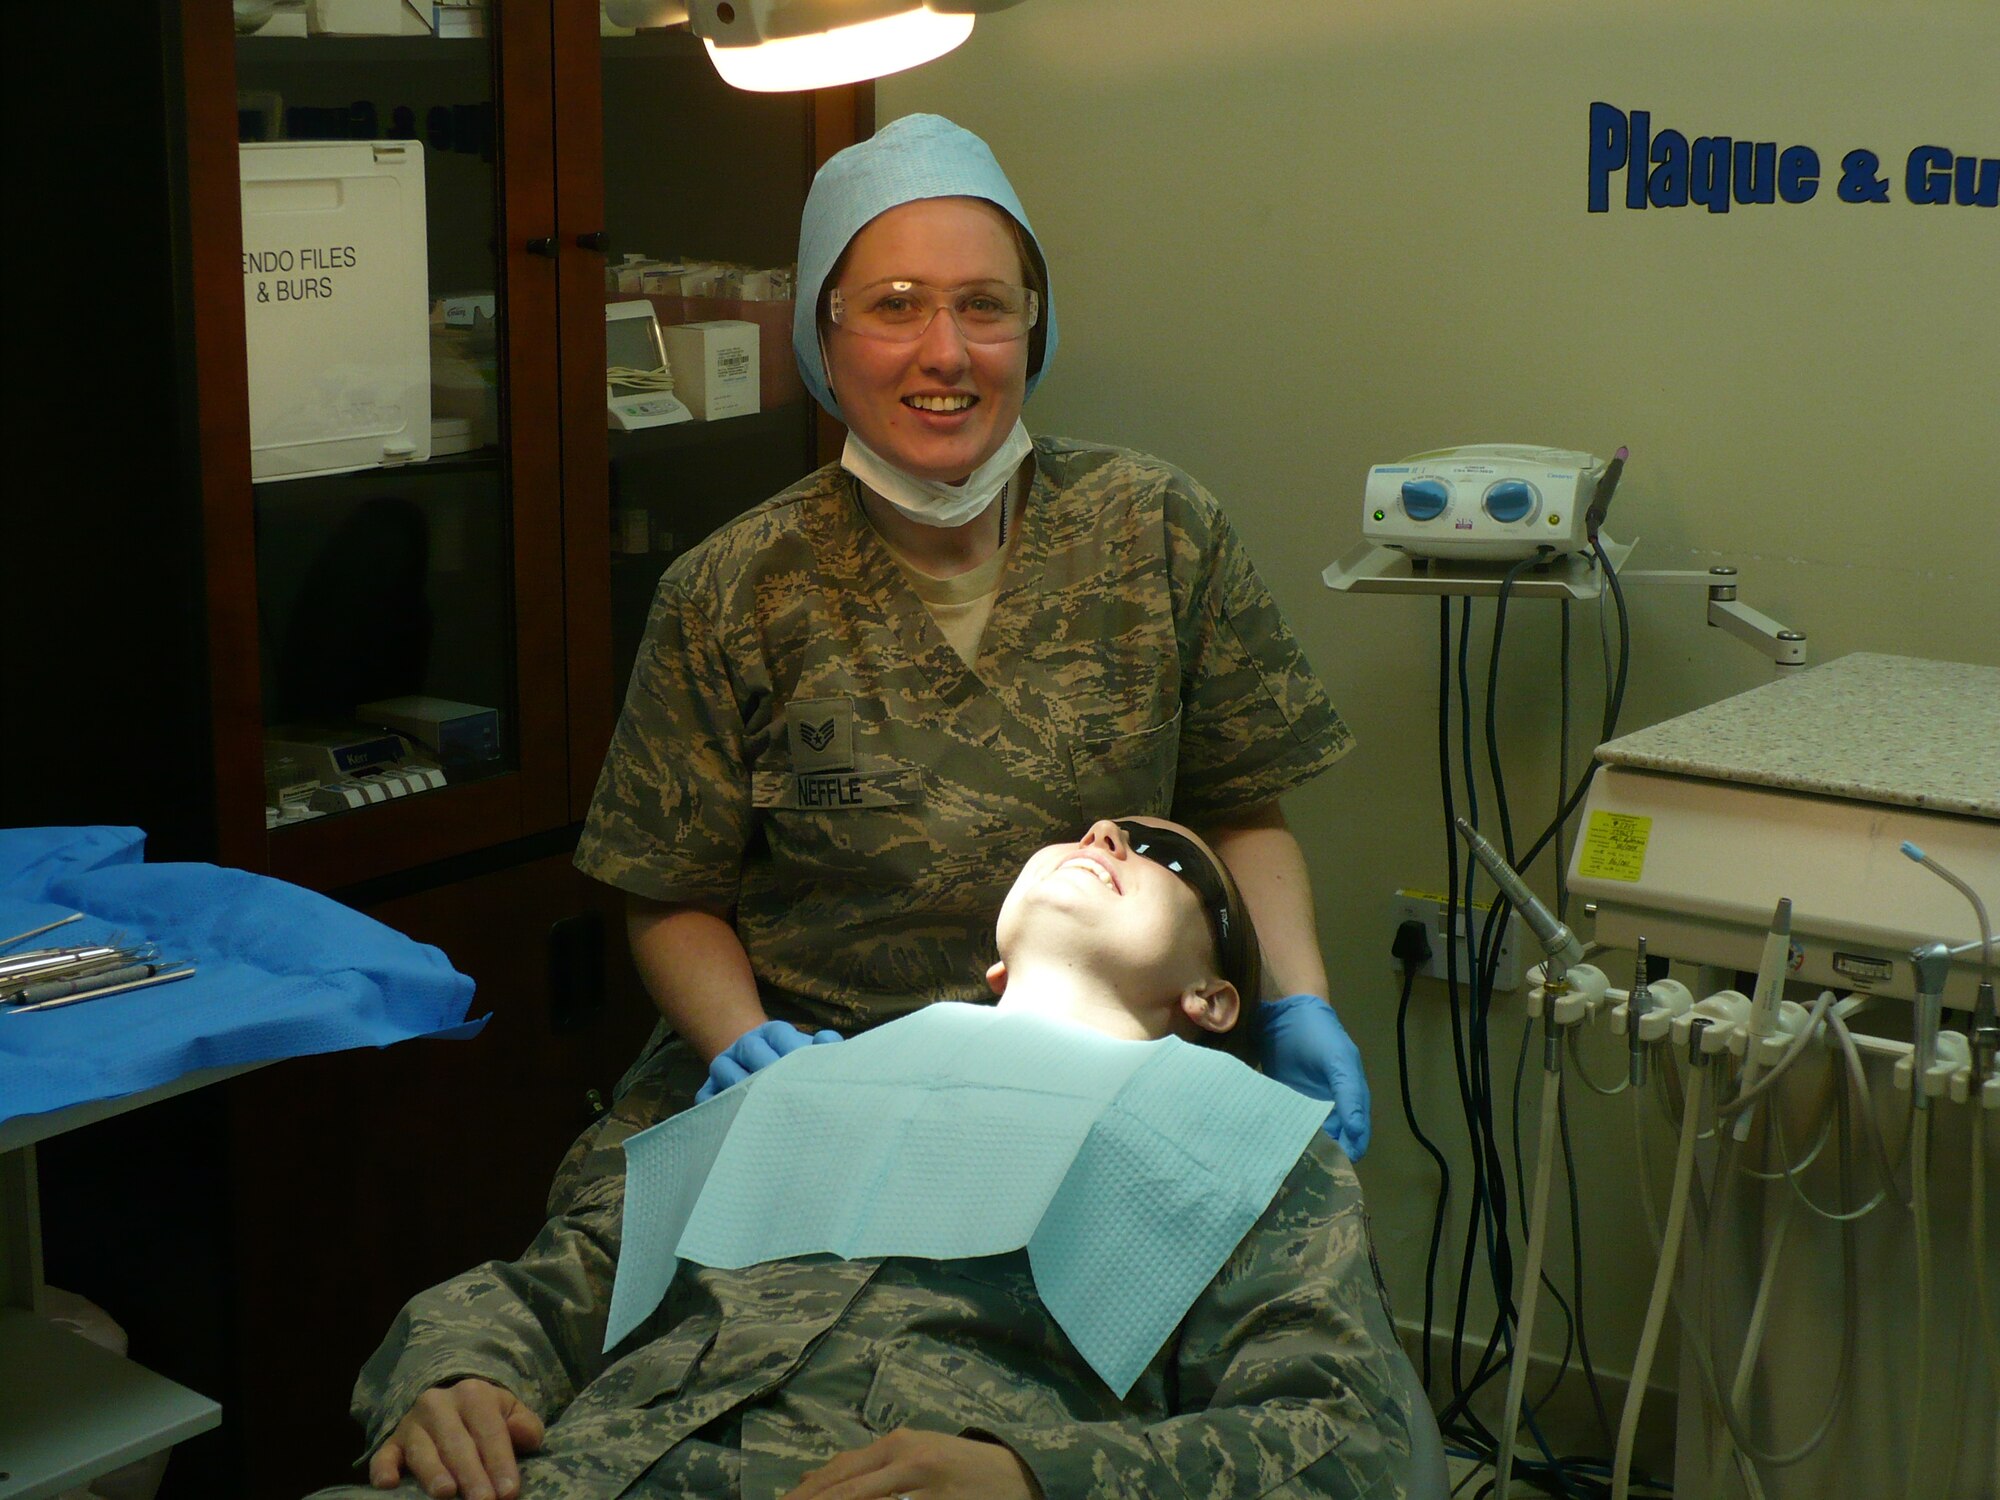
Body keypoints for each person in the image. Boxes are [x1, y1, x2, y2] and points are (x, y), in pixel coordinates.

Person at [575, 112, 1371, 1161]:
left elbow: (1238, 810)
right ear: (824, 334)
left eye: (984, 307)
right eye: (893, 307)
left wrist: (1295, 1001)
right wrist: (752, 1047)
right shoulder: (731, 591)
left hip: (1102, 1095)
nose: (943, 351)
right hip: (818, 1083)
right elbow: (667, 896)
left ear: (1031, 330)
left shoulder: (1154, 530)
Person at [330, 819, 1429, 1500]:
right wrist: (456, 1374)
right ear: (987, 966)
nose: (1103, 841)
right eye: (1087, 834)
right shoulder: (802, 1089)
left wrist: (1032, 1479)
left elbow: (1343, 1446)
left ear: (1212, 998)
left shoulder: (1242, 1150)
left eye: (1160, 855)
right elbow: (547, 1288)